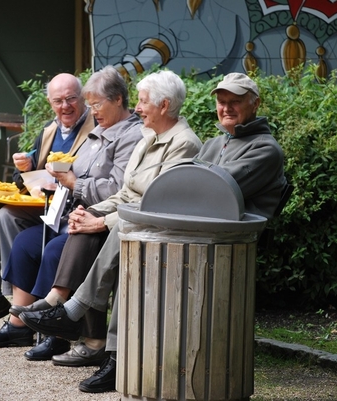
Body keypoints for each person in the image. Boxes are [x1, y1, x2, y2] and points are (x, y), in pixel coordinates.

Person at [20, 72, 286, 393]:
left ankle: (82, 322)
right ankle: (96, 339)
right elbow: (166, 190)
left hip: (220, 241)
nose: (226, 108)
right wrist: (97, 213)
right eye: (222, 102)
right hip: (193, 231)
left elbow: (206, 190)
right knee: (124, 230)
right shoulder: (217, 142)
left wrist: (114, 217)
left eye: (235, 102)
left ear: (255, 104)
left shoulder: (264, 149)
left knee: (130, 229)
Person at [16, 69, 202, 388]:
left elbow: (155, 203)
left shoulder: (183, 144)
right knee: (81, 224)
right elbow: (126, 193)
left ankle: (78, 323)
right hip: (130, 219)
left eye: (143, 102)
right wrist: (92, 213)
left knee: (94, 230)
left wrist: (100, 220)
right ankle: (68, 315)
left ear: (164, 105)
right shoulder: (148, 136)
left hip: (158, 228)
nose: (137, 108)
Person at [0, 66, 143, 360]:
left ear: (118, 99)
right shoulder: (100, 129)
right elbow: (75, 172)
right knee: (25, 243)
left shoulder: (129, 135)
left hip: (98, 217)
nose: (91, 110)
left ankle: (55, 332)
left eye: (95, 104)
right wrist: (46, 175)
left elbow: (118, 188)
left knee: (55, 249)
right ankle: (20, 323)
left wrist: (72, 183)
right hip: (69, 210)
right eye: (90, 105)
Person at [0, 73, 96, 336]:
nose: (65, 106)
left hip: (66, 209)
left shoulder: (94, 129)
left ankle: (18, 305)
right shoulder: (48, 130)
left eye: (71, 99)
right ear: (50, 103)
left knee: (8, 215)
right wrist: (26, 166)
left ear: (83, 98)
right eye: (58, 101)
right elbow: (26, 177)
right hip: (40, 204)